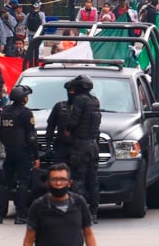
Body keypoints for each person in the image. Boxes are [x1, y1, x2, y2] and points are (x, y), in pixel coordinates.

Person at [23, 163, 97, 246]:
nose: (58, 183)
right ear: (47, 183)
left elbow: (88, 233)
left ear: (69, 183)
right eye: (54, 179)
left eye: (62, 179)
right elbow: (29, 240)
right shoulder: (38, 206)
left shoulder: (79, 202)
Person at [0, 85, 38, 224]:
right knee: (23, 183)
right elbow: (31, 137)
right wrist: (36, 156)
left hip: (9, 152)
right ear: (22, 99)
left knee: (4, 184)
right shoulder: (25, 113)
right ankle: (20, 215)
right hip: (23, 153)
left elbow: (0, 134)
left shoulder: (5, 111)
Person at [65, 75, 101, 224]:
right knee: (92, 180)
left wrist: (67, 128)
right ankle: (93, 213)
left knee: (78, 179)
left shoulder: (80, 100)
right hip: (93, 145)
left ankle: (77, 212)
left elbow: (74, 120)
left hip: (80, 145)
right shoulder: (95, 101)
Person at [46, 80, 77, 164]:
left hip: (78, 147)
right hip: (61, 147)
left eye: (73, 91)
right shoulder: (59, 106)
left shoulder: (85, 108)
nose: (71, 93)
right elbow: (50, 126)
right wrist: (48, 145)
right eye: (69, 91)